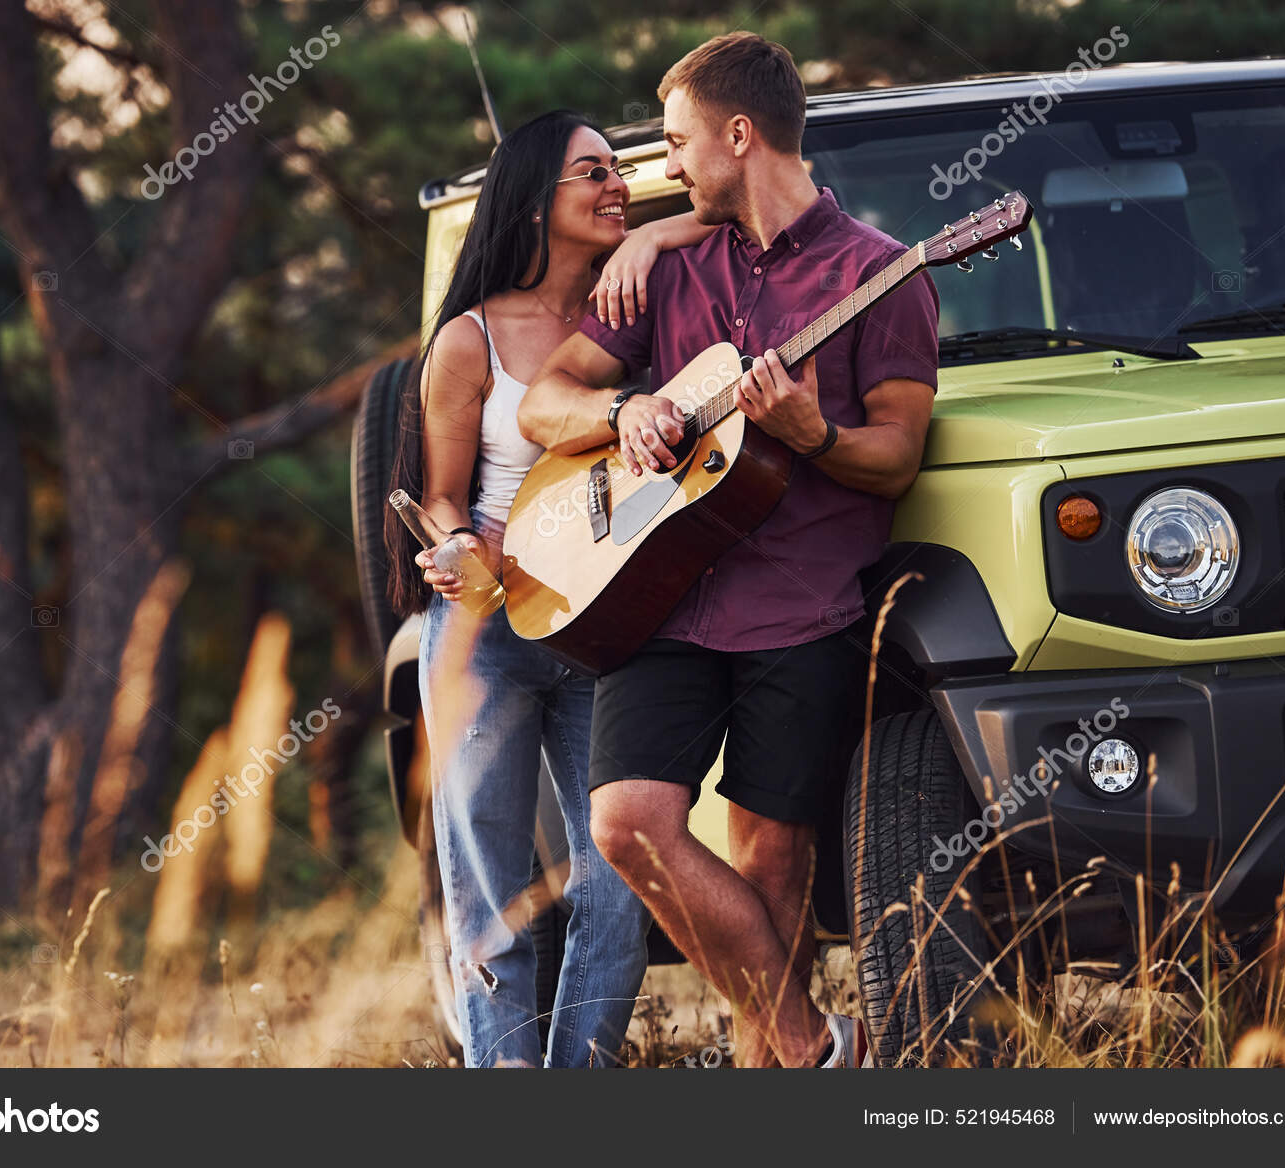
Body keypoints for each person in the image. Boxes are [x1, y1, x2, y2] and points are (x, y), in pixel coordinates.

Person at [518, 34, 941, 1068]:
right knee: (625, 822)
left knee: (773, 860)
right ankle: (817, 1051)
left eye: (674, 145)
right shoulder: (663, 272)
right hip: (661, 598)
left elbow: (895, 458)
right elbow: (540, 403)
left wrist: (812, 437)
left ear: (738, 135)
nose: (662, 171)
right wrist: (623, 412)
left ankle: (774, 1083)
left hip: (804, 604)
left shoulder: (881, 278)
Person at [385, 109, 713, 1067]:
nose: (618, 184)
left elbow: (744, 216)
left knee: (621, 877)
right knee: (490, 886)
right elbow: (443, 497)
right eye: (593, 172)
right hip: (485, 630)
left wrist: (652, 229)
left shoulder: (644, 305)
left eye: (621, 170)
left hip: (606, 629)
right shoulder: (468, 341)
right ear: (533, 200)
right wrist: (454, 549)